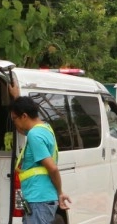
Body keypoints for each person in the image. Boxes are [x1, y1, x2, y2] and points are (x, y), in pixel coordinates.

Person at [10, 96, 70, 224]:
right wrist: (16, 97)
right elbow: (21, 129)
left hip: (38, 199)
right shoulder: (45, 128)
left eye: (14, 118)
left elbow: (52, 168)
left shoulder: (34, 135)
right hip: (40, 197)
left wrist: (60, 192)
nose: (14, 122)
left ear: (24, 116)